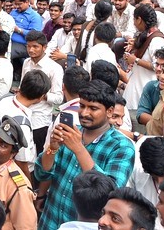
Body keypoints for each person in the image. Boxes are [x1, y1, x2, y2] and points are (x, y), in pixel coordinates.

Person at [35, 80, 136, 230]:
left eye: (93, 108)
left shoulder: (122, 147)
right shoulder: (71, 133)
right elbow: (42, 174)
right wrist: (53, 148)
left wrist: (79, 149)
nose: (84, 113)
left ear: (109, 111)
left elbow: (109, 192)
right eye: (82, 106)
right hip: (50, 221)